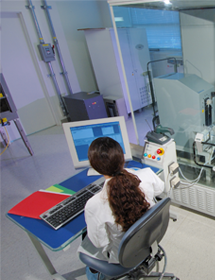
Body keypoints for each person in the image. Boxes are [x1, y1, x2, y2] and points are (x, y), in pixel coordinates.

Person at [78, 137, 164, 279]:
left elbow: (100, 243)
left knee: (89, 261)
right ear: (122, 159)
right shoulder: (147, 174)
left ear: (95, 167)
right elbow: (160, 189)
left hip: (122, 258)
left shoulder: (94, 205)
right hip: (147, 241)